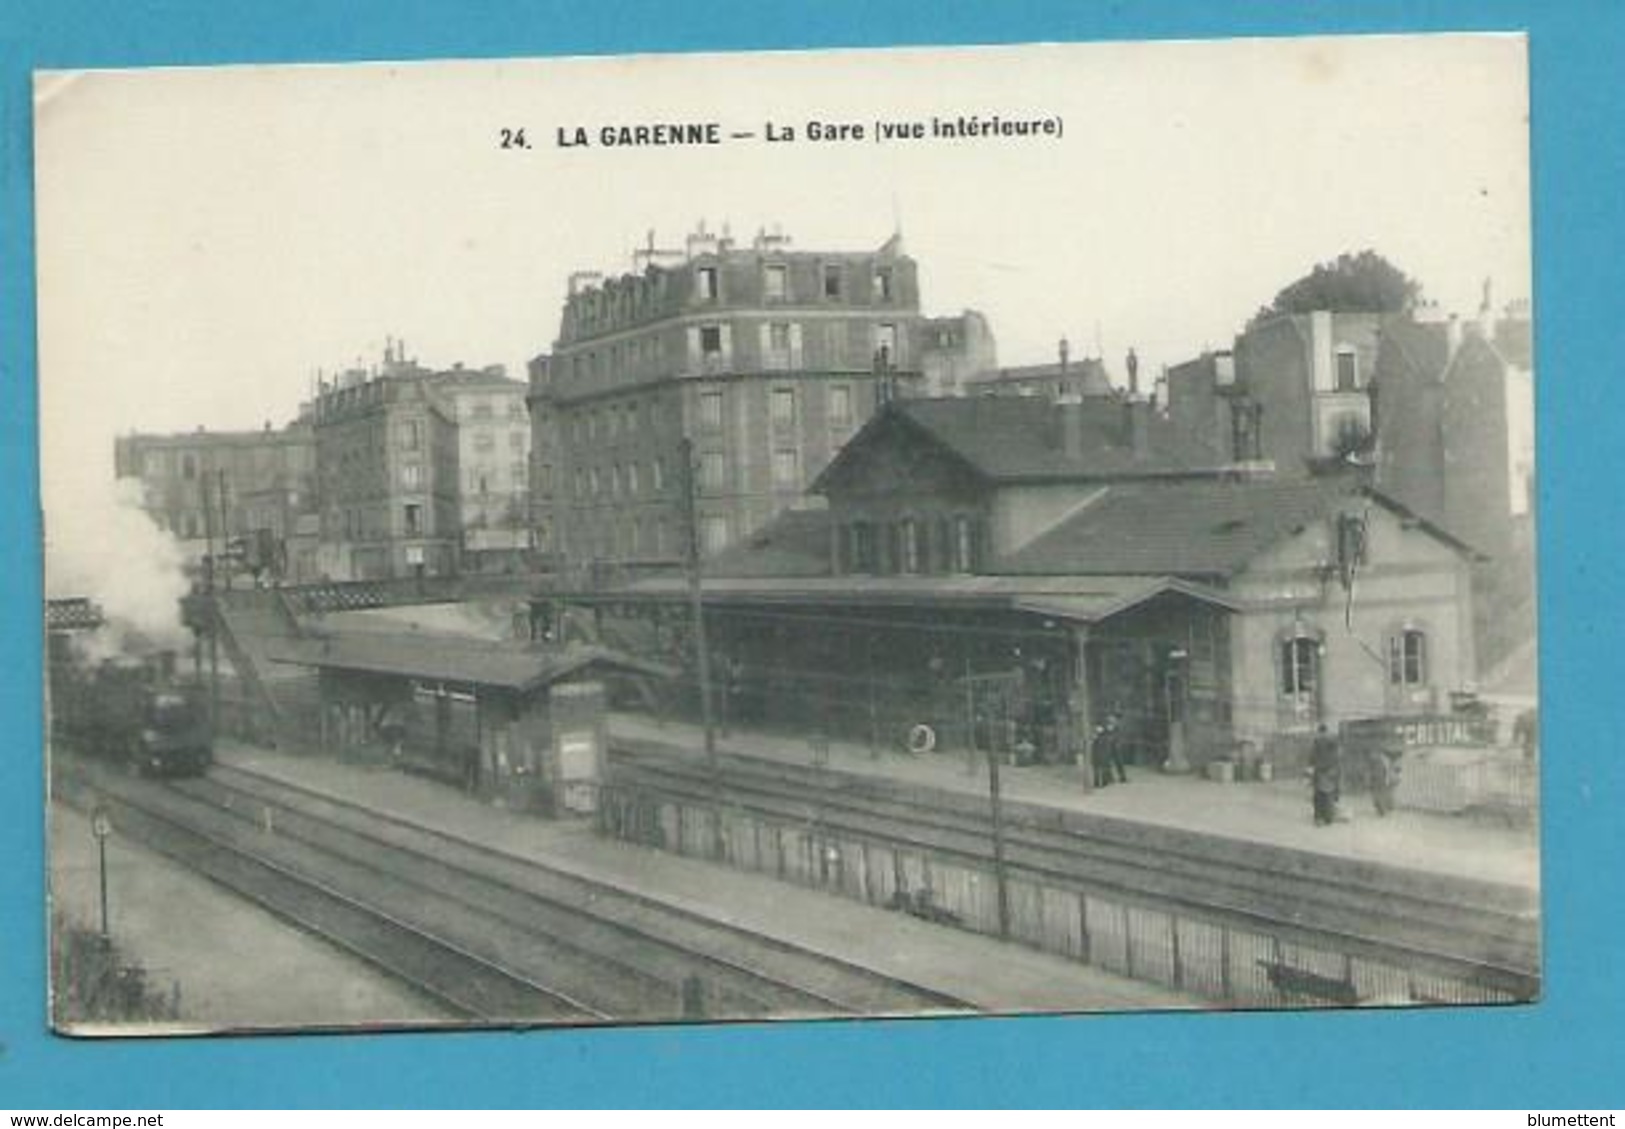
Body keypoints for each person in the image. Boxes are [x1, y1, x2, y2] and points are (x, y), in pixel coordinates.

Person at [1310, 724, 1342, 826]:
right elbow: (1337, 757)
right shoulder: (1334, 741)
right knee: (1329, 796)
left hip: (1320, 772)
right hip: (1331, 772)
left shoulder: (1317, 741)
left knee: (1318, 796)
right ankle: (1328, 818)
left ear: (1319, 731)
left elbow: (1312, 757)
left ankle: (1319, 818)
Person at [1369, 745, 1399, 817]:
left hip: (1382, 781)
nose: (1372, 755)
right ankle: (1384, 808)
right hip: (1380, 781)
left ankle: (1384, 809)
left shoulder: (1383, 761)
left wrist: (1386, 780)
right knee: (1381, 795)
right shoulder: (1381, 761)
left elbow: (1385, 772)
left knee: (1381, 795)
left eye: (1374, 753)